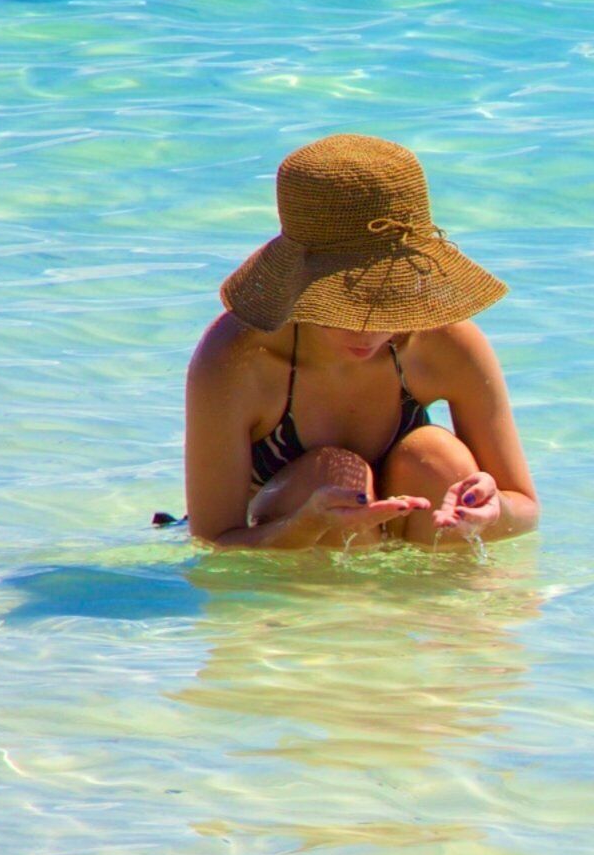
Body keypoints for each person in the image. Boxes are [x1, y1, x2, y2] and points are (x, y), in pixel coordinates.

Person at [179, 134, 539, 549]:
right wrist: (306, 526)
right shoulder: (239, 358)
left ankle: (440, 612)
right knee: (331, 474)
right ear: (300, 282)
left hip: (417, 532)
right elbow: (212, 541)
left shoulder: (444, 343)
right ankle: (341, 613)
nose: (367, 329)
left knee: (440, 459)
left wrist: (493, 513)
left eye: (388, 299)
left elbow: (525, 507)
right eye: (345, 304)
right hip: (283, 538)